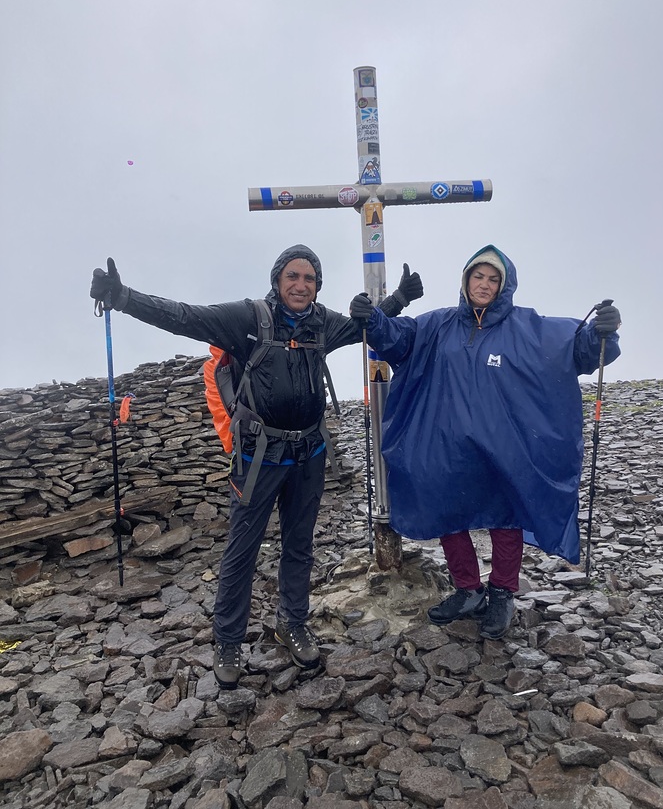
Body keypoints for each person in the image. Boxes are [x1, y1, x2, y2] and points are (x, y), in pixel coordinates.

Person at [91, 245, 423, 687]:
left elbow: (365, 325)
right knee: (241, 551)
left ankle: (293, 623)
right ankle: (228, 641)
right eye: (293, 276)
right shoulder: (246, 319)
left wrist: (398, 298)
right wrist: (124, 298)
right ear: (277, 280)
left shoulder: (322, 324)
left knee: (299, 545)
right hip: (257, 458)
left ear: (317, 286)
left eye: (309, 278)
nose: (301, 285)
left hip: (308, 454)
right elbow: (185, 316)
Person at [350, 244, 621, 640]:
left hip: (505, 446)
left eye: (493, 279)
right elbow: (396, 338)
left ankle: (502, 593)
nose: (485, 284)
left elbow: (576, 349)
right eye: (478, 276)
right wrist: (371, 319)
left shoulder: (529, 328)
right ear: (465, 280)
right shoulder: (437, 325)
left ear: (505, 285)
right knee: (449, 511)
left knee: (505, 513)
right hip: (446, 444)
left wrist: (603, 332)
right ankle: (467, 589)